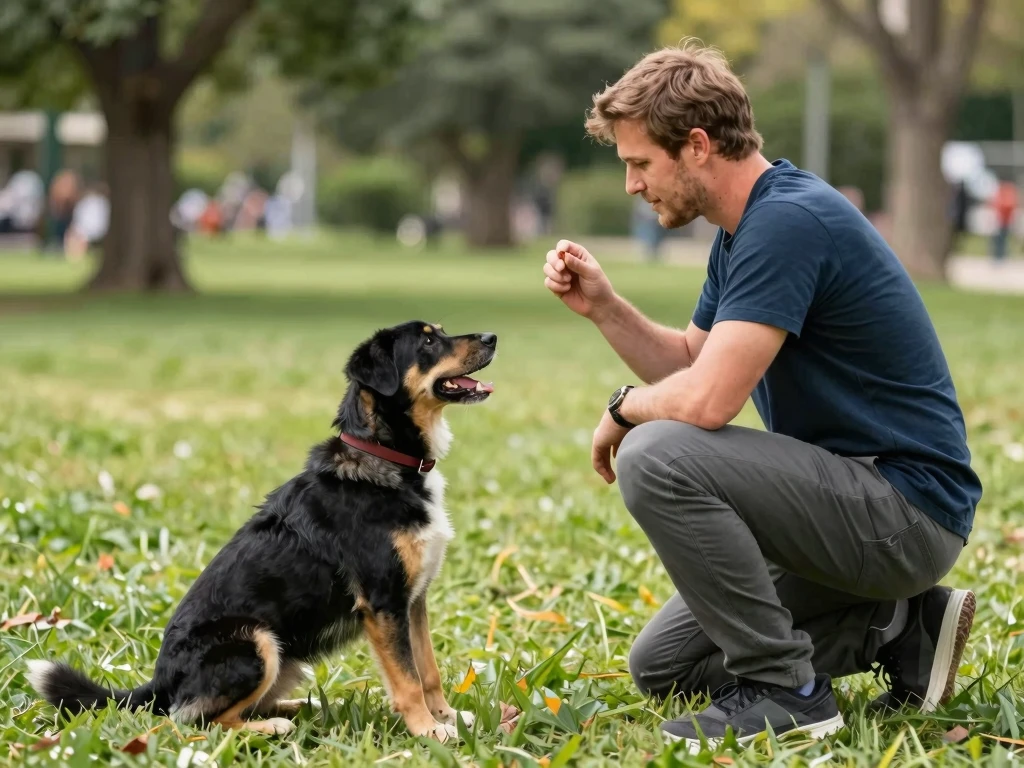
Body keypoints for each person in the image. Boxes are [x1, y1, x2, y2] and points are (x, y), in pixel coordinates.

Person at [541, 41, 981, 753]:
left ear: (697, 145)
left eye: (640, 163)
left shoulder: (788, 222)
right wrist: (606, 309)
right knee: (667, 668)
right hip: (849, 507)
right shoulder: (744, 229)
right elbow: (691, 362)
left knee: (655, 454)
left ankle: (788, 693)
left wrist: (624, 409)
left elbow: (708, 401)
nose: (630, 184)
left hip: (902, 508)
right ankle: (899, 629)